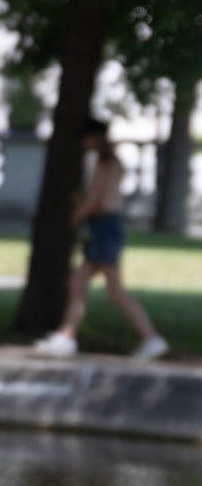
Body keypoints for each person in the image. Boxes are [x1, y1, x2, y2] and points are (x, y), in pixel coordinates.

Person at [34, 118, 168, 362]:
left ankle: (151, 338)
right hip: (104, 227)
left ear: (93, 138)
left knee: (112, 290)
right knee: (78, 282)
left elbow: (96, 200)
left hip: (104, 227)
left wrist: (77, 214)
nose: (84, 143)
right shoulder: (112, 163)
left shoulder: (104, 163)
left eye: (86, 138)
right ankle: (66, 336)